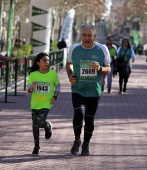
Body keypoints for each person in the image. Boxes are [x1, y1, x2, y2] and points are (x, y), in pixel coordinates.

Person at [66, 23, 111, 156]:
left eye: (89, 35)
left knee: (89, 119)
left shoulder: (102, 49)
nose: (86, 38)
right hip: (78, 89)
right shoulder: (74, 48)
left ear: (94, 36)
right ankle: (77, 140)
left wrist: (100, 68)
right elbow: (68, 64)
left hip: (94, 91)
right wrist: (70, 75)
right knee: (78, 114)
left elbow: (108, 69)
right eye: (84, 35)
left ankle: (86, 144)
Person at [27, 52, 60, 156]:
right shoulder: (33, 75)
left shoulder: (52, 74)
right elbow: (29, 90)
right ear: (38, 63)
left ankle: (47, 126)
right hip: (35, 103)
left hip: (47, 103)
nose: (47, 62)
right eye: (44, 60)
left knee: (41, 122)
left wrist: (55, 96)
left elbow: (58, 86)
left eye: (48, 60)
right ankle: (36, 147)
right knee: (35, 126)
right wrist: (32, 87)